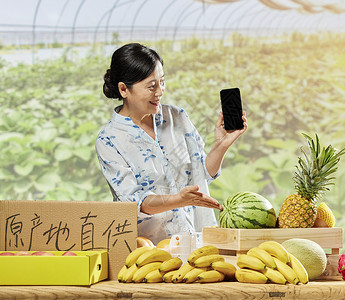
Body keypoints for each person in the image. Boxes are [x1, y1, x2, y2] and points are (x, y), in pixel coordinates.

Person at [96, 43, 247, 244]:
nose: (160, 92)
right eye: (151, 86)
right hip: (152, 250)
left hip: (198, 241)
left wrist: (222, 145)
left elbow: (201, 174)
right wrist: (179, 199)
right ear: (124, 89)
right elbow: (133, 202)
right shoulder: (109, 140)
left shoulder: (177, 116)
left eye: (162, 82)